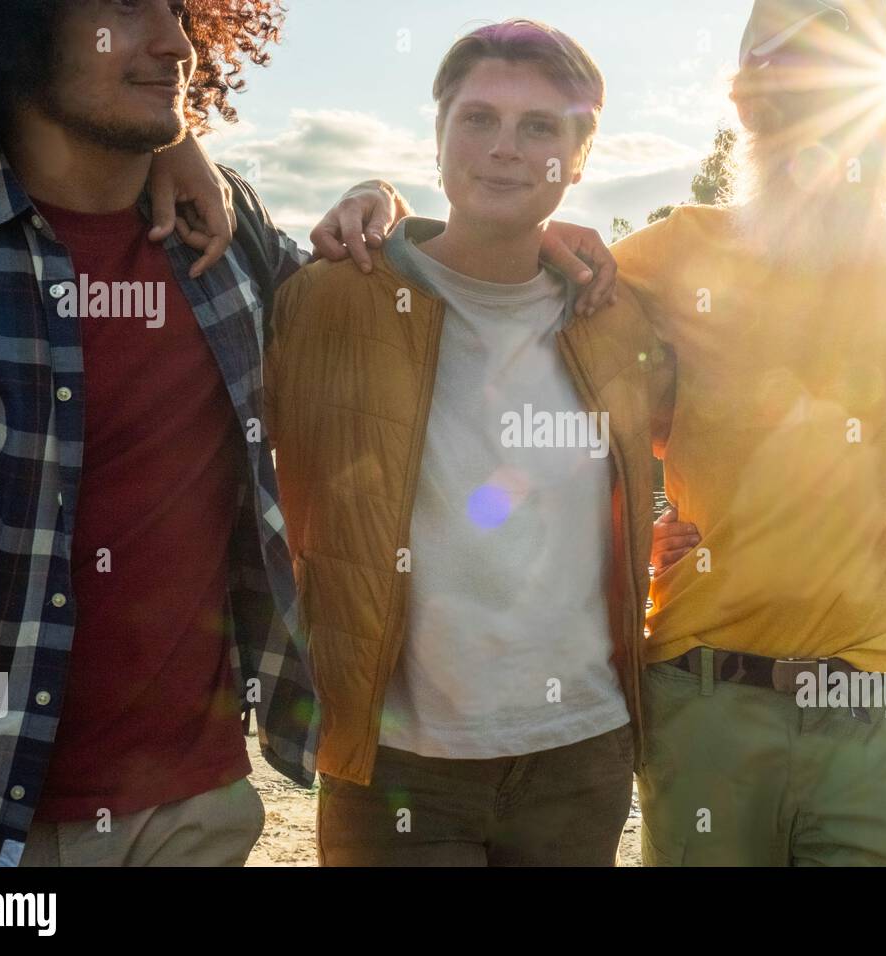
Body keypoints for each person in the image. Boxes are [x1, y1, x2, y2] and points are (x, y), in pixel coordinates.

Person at [323, 0, 886, 866]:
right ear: (743, 107)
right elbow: (502, 260)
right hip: (708, 701)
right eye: (782, 90)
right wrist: (384, 207)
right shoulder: (673, 253)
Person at [0, 0, 318, 867]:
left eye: (178, 9)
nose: (175, 42)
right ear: (11, 30)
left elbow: (371, 313)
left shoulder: (222, 228)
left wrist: (384, 209)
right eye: (127, 9)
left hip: (200, 806)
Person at [264, 19, 673, 866]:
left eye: (540, 128)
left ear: (579, 160)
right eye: (478, 119)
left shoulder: (618, 317)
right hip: (398, 762)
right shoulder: (328, 301)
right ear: (439, 139)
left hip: (580, 751)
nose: (505, 149)